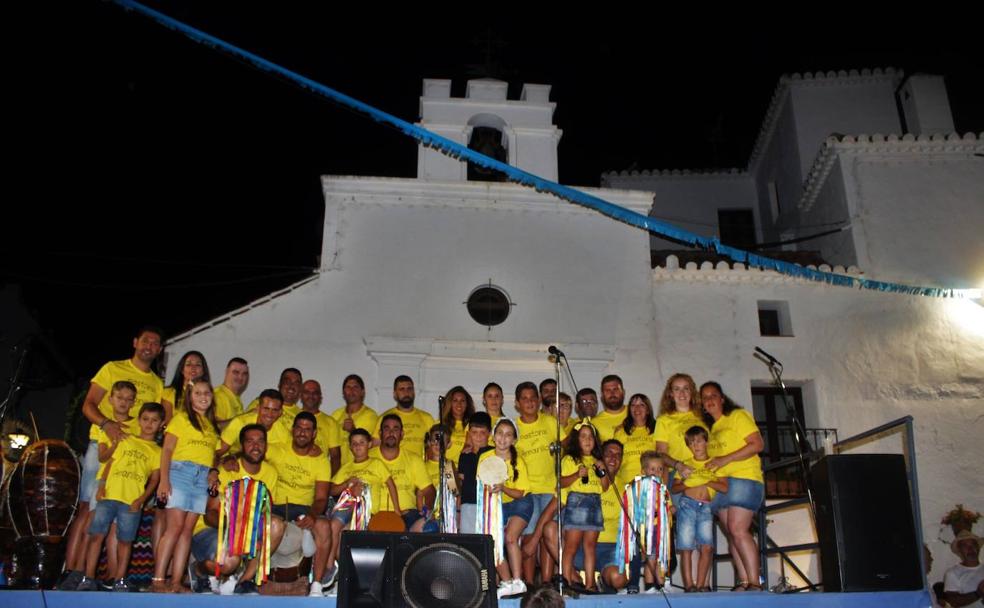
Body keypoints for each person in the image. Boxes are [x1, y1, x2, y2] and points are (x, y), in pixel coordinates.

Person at [62, 326, 164, 588]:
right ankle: (73, 571)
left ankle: (108, 576)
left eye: (155, 343)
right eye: (145, 340)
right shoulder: (112, 368)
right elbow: (89, 404)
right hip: (104, 443)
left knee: (118, 521)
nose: (149, 346)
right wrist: (107, 425)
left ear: (160, 350)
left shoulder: (156, 383)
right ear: (135, 342)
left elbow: (153, 419)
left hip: (133, 453)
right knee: (89, 508)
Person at [75, 402, 164, 592]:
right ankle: (89, 577)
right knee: (96, 535)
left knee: (125, 541)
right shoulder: (125, 439)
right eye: (145, 419)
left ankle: (120, 579)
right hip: (109, 495)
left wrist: (141, 499)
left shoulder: (157, 451)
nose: (149, 424)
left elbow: (155, 479)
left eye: (154, 420)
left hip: (131, 500)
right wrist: (101, 486)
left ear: (161, 424)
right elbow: (109, 464)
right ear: (139, 420)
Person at [60, 380, 139, 589]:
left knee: (118, 530)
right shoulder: (102, 424)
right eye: (119, 398)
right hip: (104, 482)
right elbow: (103, 457)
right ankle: (81, 572)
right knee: (94, 525)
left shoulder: (137, 426)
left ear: (134, 403)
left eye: (128, 399)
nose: (123, 402)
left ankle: (114, 577)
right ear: (111, 399)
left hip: (126, 483)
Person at [189, 424, 283, 595]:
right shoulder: (226, 471)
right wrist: (236, 531)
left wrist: (249, 535)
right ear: (242, 446)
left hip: (243, 532)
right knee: (227, 563)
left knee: (275, 524)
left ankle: (245, 581)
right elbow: (210, 515)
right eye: (250, 441)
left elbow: (264, 512)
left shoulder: (271, 473)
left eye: (260, 441)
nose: (256, 446)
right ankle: (198, 570)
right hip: (212, 531)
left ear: (266, 446)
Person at [153, 379, 221, 593]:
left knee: (186, 532)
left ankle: (176, 581)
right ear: (190, 397)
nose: (203, 397)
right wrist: (164, 480)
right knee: (174, 528)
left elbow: (211, 456)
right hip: (180, 473)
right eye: (198, 393)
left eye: (207, 393)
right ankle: (158, 580)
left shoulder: (211, 426)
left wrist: (212, 473)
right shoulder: (180, 419)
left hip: (201, 479)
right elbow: (167, 450)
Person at [701, 381, 765, 592]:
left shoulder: (738, 416)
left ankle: (755, 581)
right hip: (722, 485)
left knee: (738, 529)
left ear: (722, 398)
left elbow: (757, 444)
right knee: (731, 533)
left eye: (713, 395)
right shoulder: (711, 429)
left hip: (743, 478)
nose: (709, 399)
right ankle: (744, 581)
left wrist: (724, 459)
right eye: (705, 397)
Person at [265, 411, 334, 596]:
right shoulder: (277, 449)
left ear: (314, 434)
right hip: (277, 507)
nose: (303, 433)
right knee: (260, 520)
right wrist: (229, 459)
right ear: (292, 430)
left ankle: (317, 585)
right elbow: (251, 453)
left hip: (304, 509)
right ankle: (254, 578)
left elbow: (321, 498)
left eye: (308, 429)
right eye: (299, 428)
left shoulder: (321, 461)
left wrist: (312, 515)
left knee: (325, 526)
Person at [326, 428, 399, 576]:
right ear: (350, 447)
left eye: (362, 442)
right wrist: (347, 483)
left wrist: (397, 509)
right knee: (333, 525)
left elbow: (391, 484)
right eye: (354, 443)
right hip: (348, 508)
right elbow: (332, 490)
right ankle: (329, 568)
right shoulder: (346, 468)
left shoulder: (376, 464)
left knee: (344, 535)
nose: (358, 446)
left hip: (367, 512)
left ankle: (349, 573)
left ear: (369, 444)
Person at [671, 428, 728, 593]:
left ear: (706, 442)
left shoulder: (714, 464)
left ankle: (702, 584)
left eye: (699, 441)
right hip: (688, 505)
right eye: (691, 442)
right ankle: (689, 585)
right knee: (686, 547)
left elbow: (724, 487)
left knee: (707, 547)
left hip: (706, 508)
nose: (695, 445)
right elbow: (675, 488)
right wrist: (688, 484)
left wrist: (708, 481)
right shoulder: (686, 464)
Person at [514, 381, 559, 584]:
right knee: (529, 535)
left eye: (533, 398)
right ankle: (529, 584)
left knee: (546, 535)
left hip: (550, 488)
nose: (530, 402)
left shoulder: (550, 422)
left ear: (539, 400)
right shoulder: (514, 427)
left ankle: (548, 582)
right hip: (527, 491)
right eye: (525, 398)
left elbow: (565, 445)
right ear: (517, 403)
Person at [481, 418, 532, 599]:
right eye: (500, 433)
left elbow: (520, 493)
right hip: (496, 504)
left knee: (510, 538)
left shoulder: (519, 462)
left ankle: (518, 581)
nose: (503, 438)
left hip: (520, 503)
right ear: (493, 437)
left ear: (513, 440)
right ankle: (507, 581)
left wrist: (503, 487)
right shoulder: (484, 458)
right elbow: (481, 484)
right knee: (493, 543)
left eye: (508, 435)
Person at [560, 420, 609, 591]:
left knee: (590, 546)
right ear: (576, 440)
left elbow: (605, 487)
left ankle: (590, 583)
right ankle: (566, 581)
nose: (588, 440)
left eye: (591, 437)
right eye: (583, 436)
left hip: (595, 503)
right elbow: (561, 482)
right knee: (571, 545)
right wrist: (576, 474)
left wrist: (603, 472)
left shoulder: (598, 460)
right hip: (577, 503)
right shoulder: (569, 459)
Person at [370, 414, 434, 531]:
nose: (391, 432)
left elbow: (429, 491)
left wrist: (426, 511)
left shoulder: (413, 459)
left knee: (429, 527)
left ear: (402, 434)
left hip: (407, 514)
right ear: (380, 434)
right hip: (373, 514)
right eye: (386, 428)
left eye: (395, 429)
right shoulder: (367, 457)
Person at [372, 376, 435, 458]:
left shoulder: (427, 418)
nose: (406, 392)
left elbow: (435, 446)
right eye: (402, 389)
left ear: (414, 392)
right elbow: (375, 446)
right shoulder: (385, 418)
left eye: (409, 389)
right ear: (395, 394)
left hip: (419, 467)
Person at [217, 389, 292, 456]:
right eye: (266, 409)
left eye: (274, 410)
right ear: (258, 408)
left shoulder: (284, 435)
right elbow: (219, 452)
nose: (270, 414)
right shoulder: (240, 422)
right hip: (231, 461)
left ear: (280, 412)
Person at [639, 452, 672, 593]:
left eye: (660, 469)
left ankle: (661, 585)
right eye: (652, 469)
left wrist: (671, 508)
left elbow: (667, 505)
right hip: (649, 529)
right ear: (644, 471)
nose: (657, 472)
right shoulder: (641, 488)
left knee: (661, 558)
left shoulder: (663, 488)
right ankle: (649, 586)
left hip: (663, 529)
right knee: (650, 558)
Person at [329, 374, 378, 467]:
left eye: (355, 387)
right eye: (348, 387)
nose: (351, 390)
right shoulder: (336, 415)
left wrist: (353, 430)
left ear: (362, 392)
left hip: (362, 467)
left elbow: (372, 445)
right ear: (343, 392)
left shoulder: (371, 416)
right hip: (339, 470)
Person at [456, 412, 493, 534]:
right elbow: (461, 483)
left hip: (488, 505)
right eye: (474, 432)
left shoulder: (494, 453)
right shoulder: (465, 455)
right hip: (467, 505)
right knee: (468, 541)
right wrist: (458, 510)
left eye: (482, 433)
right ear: (469, 433)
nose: (478, 437)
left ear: (489, 433)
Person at [299, 379, 343, 476]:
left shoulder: (331, 423)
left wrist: (328, 483)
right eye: (307, 392)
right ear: (301, 396)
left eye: (315, 393)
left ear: (320, 397)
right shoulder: (292, 417)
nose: (311, 396)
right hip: (293, 475)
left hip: (319, 477)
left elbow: (335, 457)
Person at [613, 393, 657, 489]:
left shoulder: (657, 429)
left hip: (651, 483)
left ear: (648, 410)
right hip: (625, 483)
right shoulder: (620, 432)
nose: (637, 408)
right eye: (633, 405)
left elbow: (662, 457)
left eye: (642, 405)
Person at [423, 423, 457, 529]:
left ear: (448, 444)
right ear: (429, 442)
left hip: (445, 515)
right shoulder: (422, 467)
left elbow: (454, 492)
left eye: (442, 441)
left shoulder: (448, 466)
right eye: (435, 441)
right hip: (425, 513)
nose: (438, 445)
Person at [161, 351, 210, 424]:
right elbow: (167, 423)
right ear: (182, 370)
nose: (193, 367)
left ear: (203, 371)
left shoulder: (208, 396)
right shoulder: (169, 393)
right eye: (188, 364)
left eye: (198, 364)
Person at [943, 530, 984, 607]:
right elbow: (953, 602)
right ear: (959, 550)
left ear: (978, 547)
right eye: (965, 546)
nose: (970, 549)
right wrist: (978, 593)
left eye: (973, 545)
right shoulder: (952, 573)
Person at [440, 386, 475, 464]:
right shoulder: (440, 424)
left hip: (465, 470)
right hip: (446, 469)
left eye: (462, 401)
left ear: (467, 404)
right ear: (449, 403)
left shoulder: (473, 425)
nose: (459, 404)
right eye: (455, 400)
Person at [212, 357, 249, 428]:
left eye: (244, 374)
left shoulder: (234, 397)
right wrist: (247, 417)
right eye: (236, 372)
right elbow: (215, 427)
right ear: (226, 371)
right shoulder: (218, 396)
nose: (240, 377)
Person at [593, 375, 628, 442]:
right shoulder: (595, 423)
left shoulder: (636, 413)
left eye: (615, 389)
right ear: (602, 395)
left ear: (623, 392)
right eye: (607, 390)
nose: (612, 393)